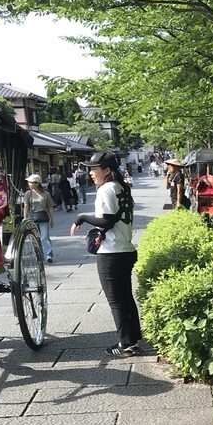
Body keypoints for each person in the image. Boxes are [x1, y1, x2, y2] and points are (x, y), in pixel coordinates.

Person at [70, 151, 142, 357]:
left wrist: (81, 216)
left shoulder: (106, 190)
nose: (90, 172)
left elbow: (107, 221)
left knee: (116, 301)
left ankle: (125, 344)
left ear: (107, 170)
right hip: (125, 250)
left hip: (111, 253)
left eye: (94, 168)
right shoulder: (122, 187)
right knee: (126, 297)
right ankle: (132, 340)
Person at [23, 173, 55, 263]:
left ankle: (48, 255)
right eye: (29, 182)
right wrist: (25, 218)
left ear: (37, 183)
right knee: (35, 238)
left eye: (31, 182)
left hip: (43, 216)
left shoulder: (46, 194)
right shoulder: (28, 194)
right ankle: (38, 255)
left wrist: (52, 219)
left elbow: (50, 207)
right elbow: (26, 206)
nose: (29, 184)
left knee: (45, 237)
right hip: (32, 217)